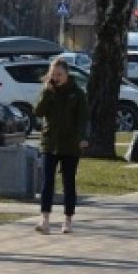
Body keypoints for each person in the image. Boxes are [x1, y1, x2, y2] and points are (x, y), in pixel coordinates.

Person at [33, 57, 89, 235]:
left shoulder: (77, 93)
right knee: (47, 181)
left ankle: (68, 220)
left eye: (59, 74)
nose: (56, 77)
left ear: (67, 74)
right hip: (50, 143)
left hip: (70, 144)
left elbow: (83, 118)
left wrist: (82, 137)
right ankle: (45, 219)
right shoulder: (48, 91)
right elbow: (38, 112)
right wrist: (47, 92)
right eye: (53, 74)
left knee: (68, 182)